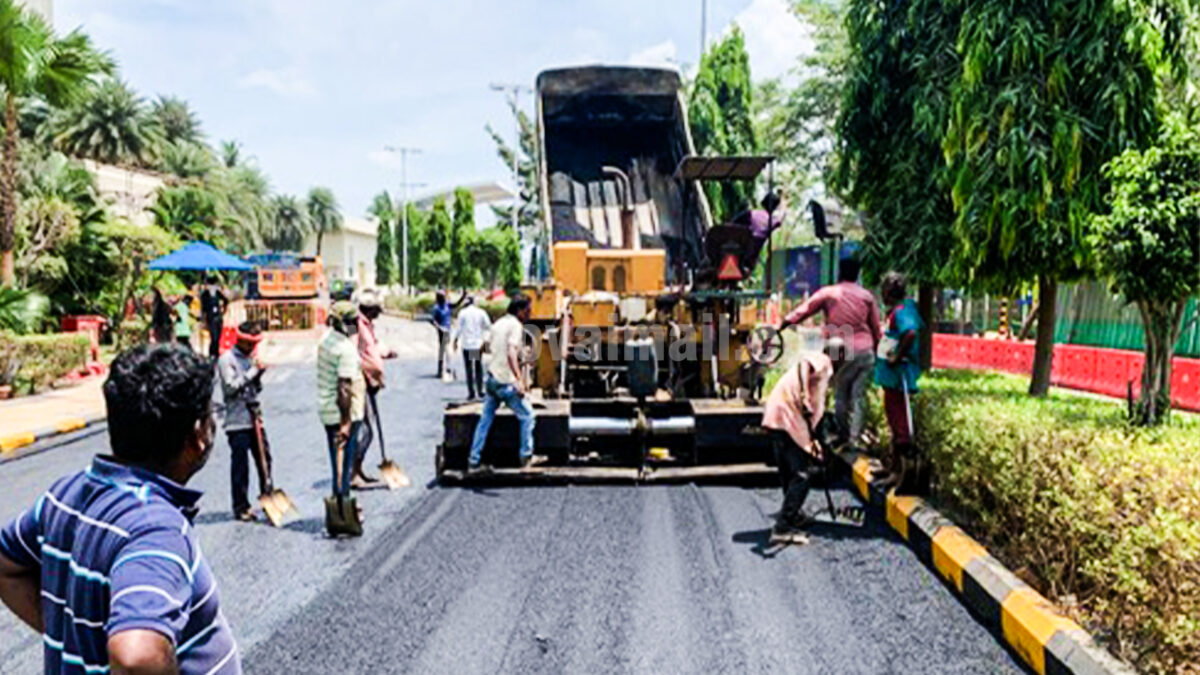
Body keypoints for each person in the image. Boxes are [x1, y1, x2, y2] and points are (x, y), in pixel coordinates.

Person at [0, 345, 241, 674]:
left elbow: (6, 564)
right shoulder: (157, 529)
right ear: (197, 433)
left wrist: (74, 641)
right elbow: (136, 657)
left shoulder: (66, 493)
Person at [778, 256, 882, 449]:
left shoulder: (829, 293)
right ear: (857, 274)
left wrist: (784, 323)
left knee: (841, 393)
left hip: (840, 349)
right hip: (865, 351)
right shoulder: (867, 297)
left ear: (840, 273)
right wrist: (878, 352)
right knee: (859, 396)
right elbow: (876, 329)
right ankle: (855, 439)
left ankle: (843, 435)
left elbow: (805, 310)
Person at [761, 342, 839, 541]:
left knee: (789, 471)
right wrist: (804, 394)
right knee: (802, 475)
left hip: (780, 416)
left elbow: (814, 414)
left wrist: (816, 440)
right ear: (838, 355)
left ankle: (793, 515)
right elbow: (805, 363)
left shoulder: (821, 374)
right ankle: (782, 527)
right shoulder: (823, 361)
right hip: (788, 418)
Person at [468, 294, 536, 472]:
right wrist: (519, 380)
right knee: (527, 416)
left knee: (485, 420)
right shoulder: (516, 326)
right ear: (519, 310)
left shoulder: (497, 324)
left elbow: (483, 348)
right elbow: (511, 352)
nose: (529, 314)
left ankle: (473, 460)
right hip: (505, 382)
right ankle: (525, 457)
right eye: (527, 310)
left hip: (492, 379)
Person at [874, 271, 926, 495]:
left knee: (900, 423)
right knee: (894, 422)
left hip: (899, 377)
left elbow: (910, 333)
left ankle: (900, 472)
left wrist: (897, 356)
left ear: (889, 291)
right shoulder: (899, 309)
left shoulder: (903, 311)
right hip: (891, 377)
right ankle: (893, 468)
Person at [317, 301, 366, 531]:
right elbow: (344, 388)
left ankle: (339, 502)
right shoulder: (344, 350)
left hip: (327, 411)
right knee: (344, 465)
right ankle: (343, 507)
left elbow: (352, 335)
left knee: (336, 461)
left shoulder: (327, 340)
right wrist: (346, 423)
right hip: (342, 413)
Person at [217, 321, 269, 521]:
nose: (253, 347)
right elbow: (231, 388)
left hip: (254, 416)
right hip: (237, 420)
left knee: (265, 459)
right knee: (241, 465)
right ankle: (240, 505)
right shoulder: (227, 360)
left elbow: (255, 388)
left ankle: (268, 495)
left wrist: (258, 375)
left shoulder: (250, 359)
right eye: (250, 343)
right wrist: (253, 372)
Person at [353, 290, 396, 488]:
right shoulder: (356, 325)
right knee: (366, 430)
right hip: (360, 382)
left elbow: (372, 348)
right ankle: (353, 472)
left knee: (368, 427)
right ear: (369, 309)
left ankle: (357, 469)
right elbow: (355, 353)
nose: (379, 313)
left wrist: (385, 353)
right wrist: (366, 373)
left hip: (370, 381)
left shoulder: (368, 326)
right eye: (377, 309)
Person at [453, 296, 491, 399]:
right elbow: (488, 325)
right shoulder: (481, 312)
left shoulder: (462, 313)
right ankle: (480, 390)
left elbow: (458, 328)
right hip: (477, 344)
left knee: (469, 368)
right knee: (478, 367)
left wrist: (455, 341)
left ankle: (471, 392)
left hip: (467, 344)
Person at [201, 276, 229, 359]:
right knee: (214, 336)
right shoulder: (205, 294)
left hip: (218, 316)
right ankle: (212, 353)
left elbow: (226, 300)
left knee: (219, 336)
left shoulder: (217, 293)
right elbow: (203, 309)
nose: (212, 286)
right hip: (210, 317)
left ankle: (216, 353)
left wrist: (223, 310)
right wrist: (203, 320)